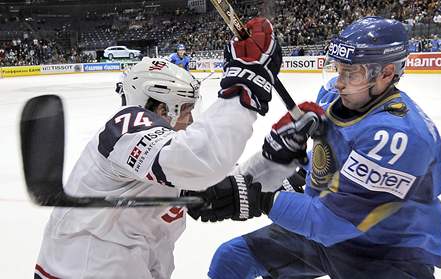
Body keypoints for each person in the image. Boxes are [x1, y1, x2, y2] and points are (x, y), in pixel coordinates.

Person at [189, 16, 441, 279]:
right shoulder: (336, 97)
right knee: (233, 258)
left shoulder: (398, 137)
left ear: (386, 74)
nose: (339, 82)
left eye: (352, 73)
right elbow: (330, 163)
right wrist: (292, 161)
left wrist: (255, 198)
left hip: (387, 253)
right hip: (331, 235)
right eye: (339, 69)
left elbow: (330, 223)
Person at [34, 17, 283, 279]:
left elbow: (228, 177)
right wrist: (245, 85)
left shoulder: (162, 156)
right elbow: (203, 159)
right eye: (186, 110)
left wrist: (280, 157)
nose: (191, 120)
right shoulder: (125, 127)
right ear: (160, 108)